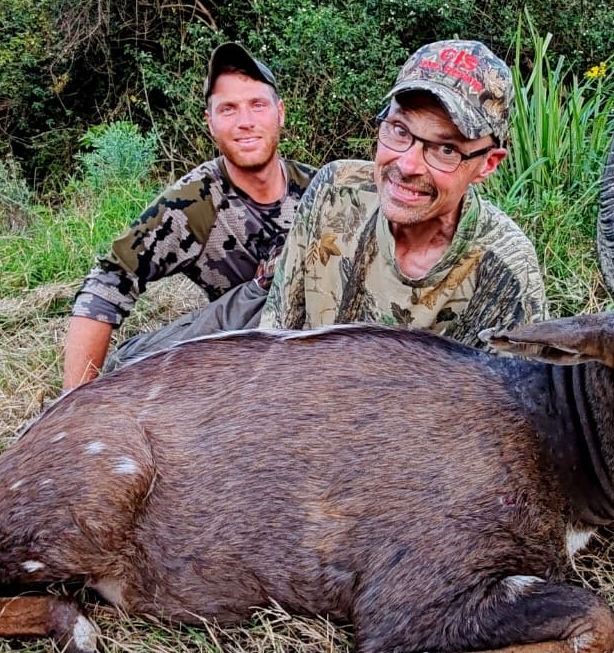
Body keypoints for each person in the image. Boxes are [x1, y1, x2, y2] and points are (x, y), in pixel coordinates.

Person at [260, 40, 546, 347]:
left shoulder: (508, 270)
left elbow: (516, 392)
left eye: (446, 149)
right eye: (400, 130)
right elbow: (274, 337)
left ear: (487, 164)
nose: (408, 165)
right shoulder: (334, 191)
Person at [63, 42, 315, 390]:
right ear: (209, 122)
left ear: (280, 113)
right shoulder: (195, 201)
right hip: (235, 353)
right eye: (228, 109)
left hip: (313, 350)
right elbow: (109, 281)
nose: (245, 122)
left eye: (257, 105)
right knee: (128, 370)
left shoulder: (323, 191)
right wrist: (75, 402)